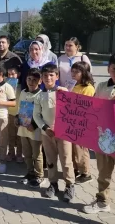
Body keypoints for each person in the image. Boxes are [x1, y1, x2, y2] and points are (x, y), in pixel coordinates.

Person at [83, 53, 115, 214]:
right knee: (103, 174)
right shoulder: (101, 87)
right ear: (108, 69)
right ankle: (102, 201)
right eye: (114, 69)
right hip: (104, 139)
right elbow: (93, 109)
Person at [33, 63, 75, 202]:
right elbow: (36, 116)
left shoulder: (63, 92)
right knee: (50, 160)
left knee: (66, 160)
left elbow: (74, 108)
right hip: (47, 134)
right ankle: (53, 183)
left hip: (63, 134)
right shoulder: (40, 95)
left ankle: (70, 185)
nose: (48, 78)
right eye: (45, 75)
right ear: (42, 78)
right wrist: (45, 128)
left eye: (51, 75)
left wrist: (67, 93)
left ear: (57, 76)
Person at [16, 68, 44, 187]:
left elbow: (43, 114)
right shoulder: (23, 92)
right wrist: (17, 118)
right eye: (29, 79)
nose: (31, 82)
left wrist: (35, 125)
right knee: (26, 153)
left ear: (40, 81)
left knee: (36, 154)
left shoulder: (41, 95)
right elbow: (20, 109)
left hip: (35, 130)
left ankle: (39, 175)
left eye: (34, 80)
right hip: (23, 129)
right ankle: (30, 172)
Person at [70, 61, 95, 183]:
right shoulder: (73, 85)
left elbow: (86, 105)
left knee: (81, 148)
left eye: (77, 72)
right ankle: (75, 169)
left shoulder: (88, 88)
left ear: (84, 73)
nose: (73, 74)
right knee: (73, 148)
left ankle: (86, 173)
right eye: (72, 71)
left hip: (82, 123)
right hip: (71, 122)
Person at [6, 66, 23, 163]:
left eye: (13, 74)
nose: (11, 76)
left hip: (20, 115)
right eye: (9, 74)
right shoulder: (6, 86)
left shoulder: (22, 87)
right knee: (11, 135)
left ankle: (19, 154)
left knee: (19, 136)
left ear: (18, 74)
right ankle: (11, 153)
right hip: (9, 114)